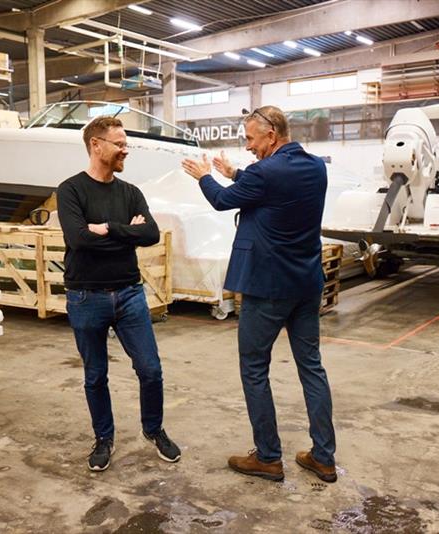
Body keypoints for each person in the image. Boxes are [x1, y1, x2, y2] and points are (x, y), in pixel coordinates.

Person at [181, 106, 337, 483]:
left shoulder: (266, 173)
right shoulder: (315, 167)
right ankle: (324, 456)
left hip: (267, 288)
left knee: (254, 369)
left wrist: (205, 176)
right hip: (305, 284)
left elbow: (223, 200)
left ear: (272, 134)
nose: (248, 146)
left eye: (251, 139)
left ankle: (268, 456)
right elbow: (265, 184)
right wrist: (234, 172)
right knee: (311, 367)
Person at [57, 115, 181, 472]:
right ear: (96, 145)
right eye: (119, 143)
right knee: (95, 375)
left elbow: (152, 235)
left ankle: (154, 430)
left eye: (126, 143)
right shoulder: (70, 190)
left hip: (130, 294)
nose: (126, 149)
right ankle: (103, 438)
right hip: (85, 297)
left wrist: (108, 229)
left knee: (151, 369)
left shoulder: (130, 193)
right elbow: (78, 240)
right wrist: (127, 232)